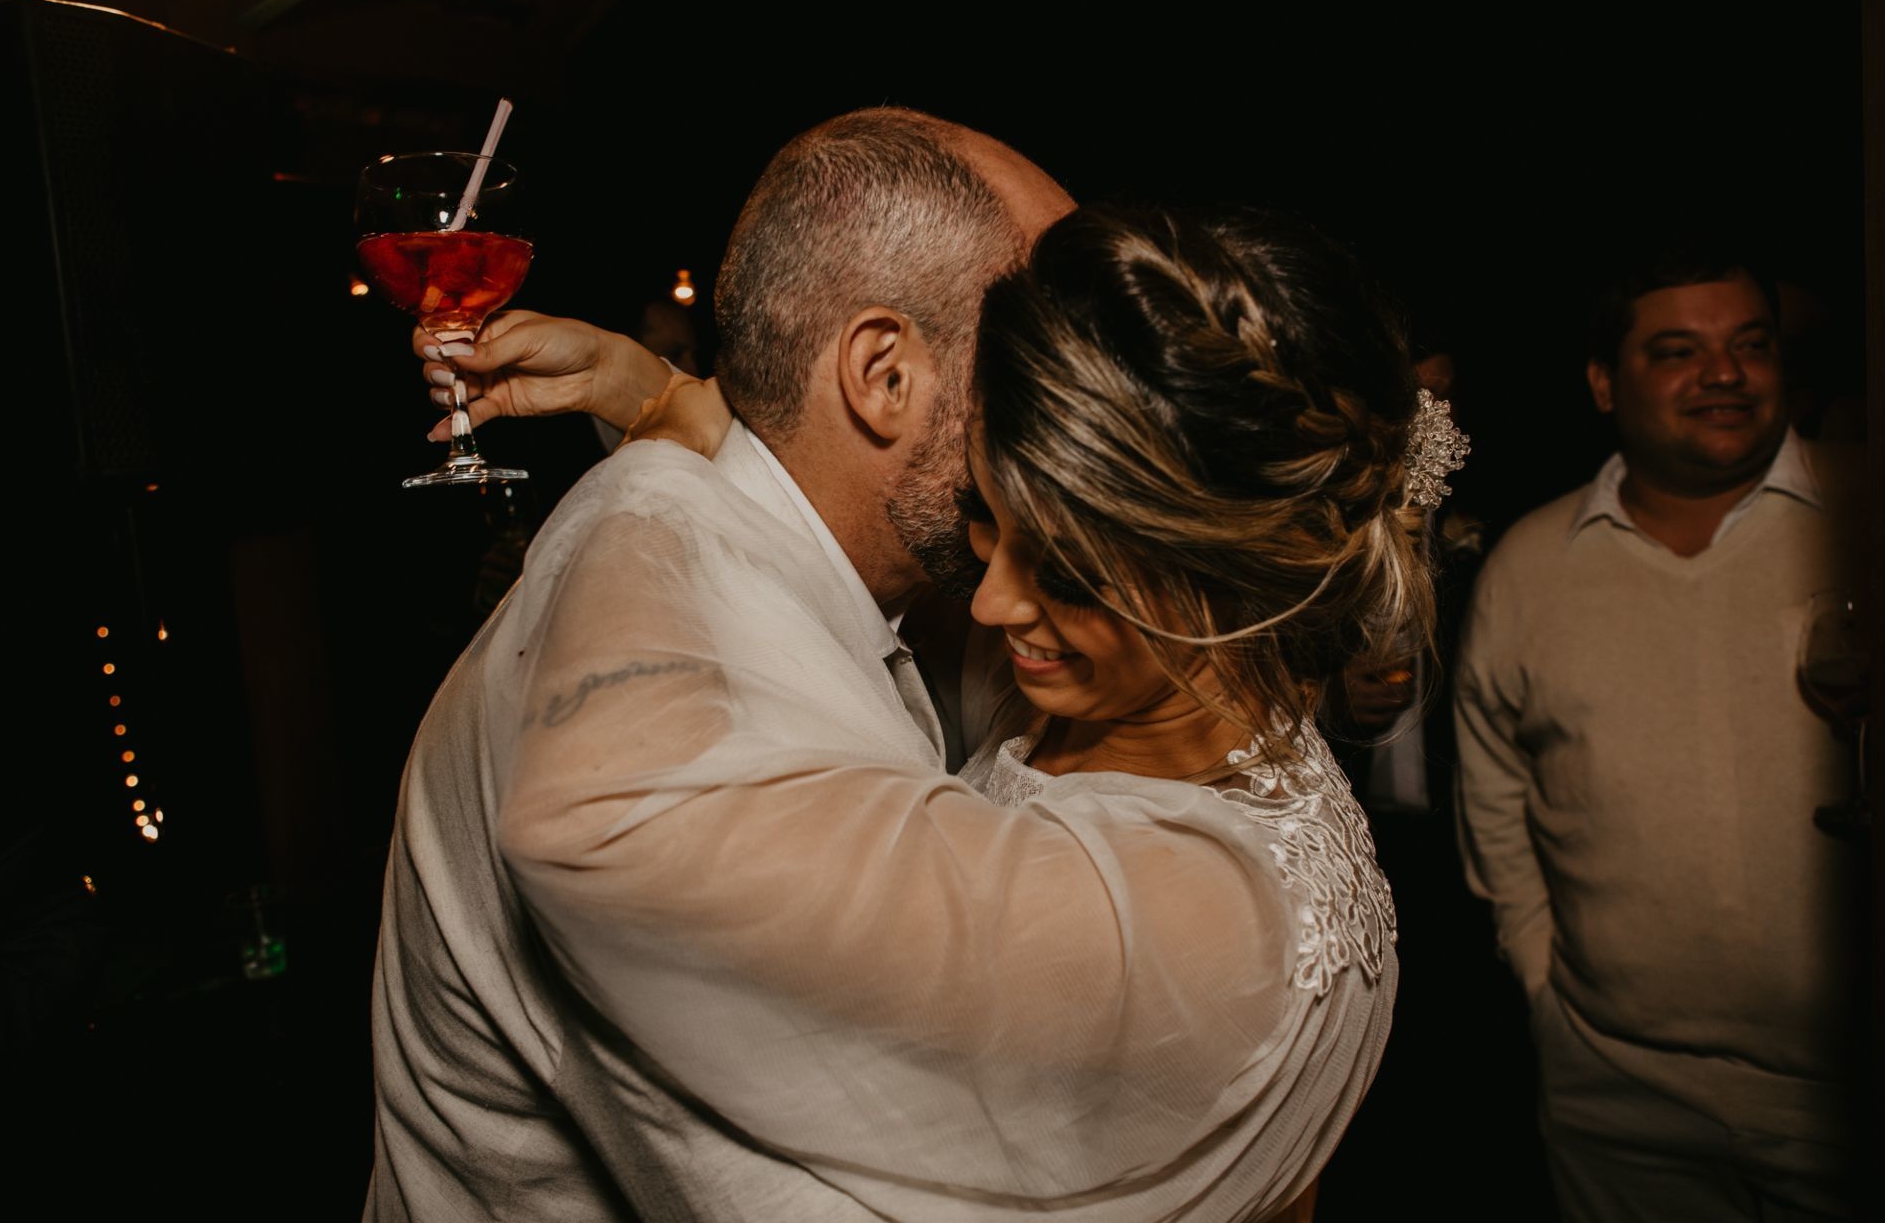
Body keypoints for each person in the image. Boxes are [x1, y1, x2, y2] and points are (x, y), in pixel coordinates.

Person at [371, 108, 1430, 1219]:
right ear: (882, 372)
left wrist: (674, 420)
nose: (1070, 375)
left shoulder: (1024, 642)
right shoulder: (642, 648)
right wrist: (666, 447)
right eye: (1027, 334)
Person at [1453, 243, 1858, 1221]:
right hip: (1616, 1092)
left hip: (1848, 1092)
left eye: (1750, 346)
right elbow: (1494, 779)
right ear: (1604, 381)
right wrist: (1540, 969)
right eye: (1678, 350)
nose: (1724, 374)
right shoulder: (1532, 561)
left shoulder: (1863, 512)